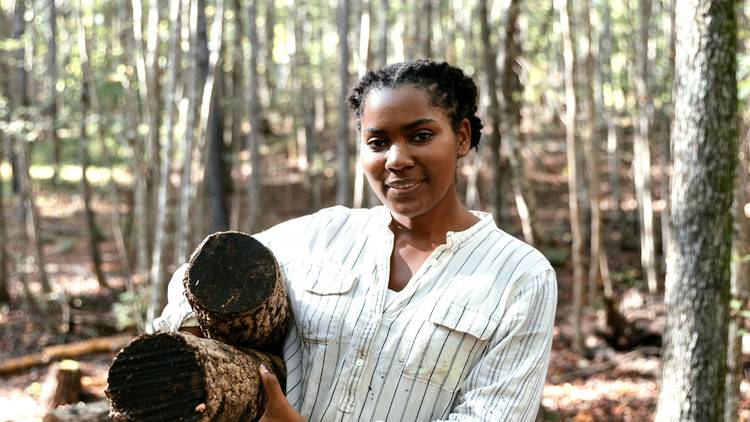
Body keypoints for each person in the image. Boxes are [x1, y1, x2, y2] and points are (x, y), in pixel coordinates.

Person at [152, 59, 557, 421]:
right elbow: (196, 278)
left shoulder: (519, 277)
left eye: (420, 136)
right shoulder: (321, 236)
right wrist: (196, 341)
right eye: (378, 142)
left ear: (463, 137)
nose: (396, 159)